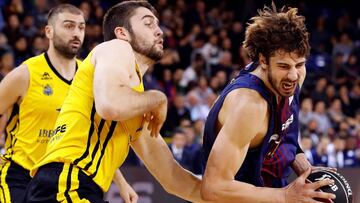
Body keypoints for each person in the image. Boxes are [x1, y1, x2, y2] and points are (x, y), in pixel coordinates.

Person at [24, 1, 206, 203]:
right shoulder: (116, 48)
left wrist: (225, 196)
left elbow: (173, 178)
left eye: (157, 24)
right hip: (67, 183)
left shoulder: (135, 102)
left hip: (74, 186)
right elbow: (110, 105)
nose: (159, 31)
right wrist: (158, 98)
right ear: (122, 33)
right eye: (148, 24)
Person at [0, 4, 137, 203]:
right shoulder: (25, 74)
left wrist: (122, 183)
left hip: (60, 180)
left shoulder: (90, 77)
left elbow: (92, 138)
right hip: (19, 177)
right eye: (68, 26)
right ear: (49, 31)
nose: (76, 33)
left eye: (81, 27)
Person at [201, 4, 337, 202]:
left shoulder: (293, 78)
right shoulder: (249, 105)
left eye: (299, 64)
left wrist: (304, 167)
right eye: (283, 66)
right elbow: (213, 188)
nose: (293, 75)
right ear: (263, 61)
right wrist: (285, 196)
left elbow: (282, 135)